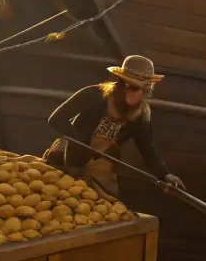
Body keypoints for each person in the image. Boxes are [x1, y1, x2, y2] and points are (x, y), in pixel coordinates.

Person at [44, 55, 184, 197]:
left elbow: (147, 148)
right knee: (57, 193)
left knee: (104, 202)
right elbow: (56, 119)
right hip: (71, 153)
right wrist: (78, 142)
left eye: (146, 90)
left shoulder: (140, 115)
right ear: (123, 84)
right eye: (136, 88)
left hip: (101, 162)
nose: (140, 95)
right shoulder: (93, 95)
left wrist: (164, 175)